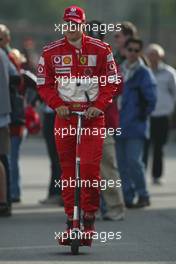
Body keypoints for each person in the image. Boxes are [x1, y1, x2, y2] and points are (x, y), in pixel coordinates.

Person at [37, 5, 119, 245]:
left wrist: (99, 105)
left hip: (92, 117)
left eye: (75, 24)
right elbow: (44, 83)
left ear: (83, 25)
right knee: (68, 171)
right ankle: (71, 223)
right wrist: (56, 104)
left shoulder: (101, 49)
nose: (71, 28)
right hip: (65, 117)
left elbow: (111, 82)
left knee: (90, 170)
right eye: (67, 24)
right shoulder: (50, 52)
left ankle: (89, 219)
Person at [87, 20, 125, 221]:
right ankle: (86, 208)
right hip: (81, 121)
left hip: (104, 122)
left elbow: (117, 85)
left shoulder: (108, 59)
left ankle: (116, 207)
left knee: (107, 167)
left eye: (96, 38)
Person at [116, 38, 157, 208]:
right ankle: (127, 196)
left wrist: (141, 115)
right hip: (118, 125)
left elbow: (152, 100)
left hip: (135, 126)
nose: (132, 53)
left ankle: (143, 194)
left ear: (140, 52)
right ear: (124, 51)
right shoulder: (118, 71)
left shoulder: (144, 73)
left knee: (134, 161)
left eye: (136, 50)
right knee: (122, 165)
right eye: (130, 49)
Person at [146, 44, 176, 185]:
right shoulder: (144, 72)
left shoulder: (169, 73)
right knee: (144, 146)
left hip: (163, 115)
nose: (153, 57)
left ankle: (156, 175)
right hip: (146, 115)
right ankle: (141, 174)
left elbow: (174, 92)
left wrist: (170, 109)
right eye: (151, 54)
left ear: (161, 56)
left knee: (159, 146)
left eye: (155, 54)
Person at [0, 47, 18, 216]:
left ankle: (4, 201)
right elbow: (15, 77)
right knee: (4, 159)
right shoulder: (3, 54)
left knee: (3, 160)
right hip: (3, 115)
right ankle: (6, 201)